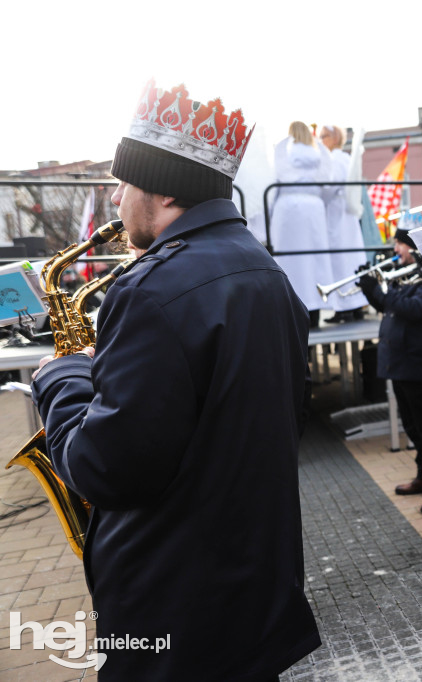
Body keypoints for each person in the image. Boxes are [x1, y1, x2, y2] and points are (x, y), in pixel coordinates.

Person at [29, 79, 321, 680]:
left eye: (121, 181)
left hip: (174, 608)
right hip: (254, 593)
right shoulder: (266, 270)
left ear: (158, 189)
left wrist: (62, 376)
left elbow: (102, 468)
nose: (114, 198)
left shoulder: (148, 291)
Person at [358, 228, 422, 514]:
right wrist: (370, 289)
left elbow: (415, 309)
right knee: (412, 425)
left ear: (414, 248)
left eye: (400, 243)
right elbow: (389, 306)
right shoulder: (404, 275)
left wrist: (380, 291)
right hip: (398, 362)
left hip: (417, 361)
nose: (395, 249)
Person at [269, 121, 333, 327]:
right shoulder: (318, 153)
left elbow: (274, 180)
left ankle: (290, 307)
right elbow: (328, 185)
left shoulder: (283, 150)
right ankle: (314, 310)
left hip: (288, 209)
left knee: (289, 262)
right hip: (314, 208)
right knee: (314, 261)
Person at [319, 124, 368, 322]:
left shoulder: (334, 159)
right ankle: (356, 303)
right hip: (346, 216)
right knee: (352, 259)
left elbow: (331, 186)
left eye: (323, 136)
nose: (321, 140)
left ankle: (343, 306)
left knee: (339, 260)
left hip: (337, 215)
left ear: (334, 138)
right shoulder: (345, 157)